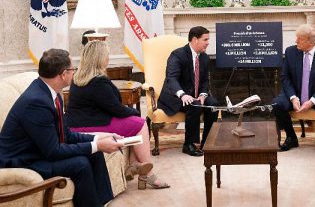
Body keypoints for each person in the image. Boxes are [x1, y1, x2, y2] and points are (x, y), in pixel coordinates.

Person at [0, 49, 123, 207]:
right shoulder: (36, 102)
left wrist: (100, 139)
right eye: (73, 70)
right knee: (80, 164)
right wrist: (97, 145)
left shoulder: (53, 93)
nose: (74, 73)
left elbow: (67, 135)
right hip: (22, 160)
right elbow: (53, 151)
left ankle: (102, 203)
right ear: (64, 74)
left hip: (39, 151)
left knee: (95, 153)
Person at [65, 41, 169, 190]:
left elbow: (109, 107)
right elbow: (118, 109)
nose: (108, 58)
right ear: (100, 58)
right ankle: (148, 174)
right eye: (107, 55)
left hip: (78, 123)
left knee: (133, 123)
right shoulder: (98, 82)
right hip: (91, 123)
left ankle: (134, 165)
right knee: (139, 123)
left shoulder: (77, 78)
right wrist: (136, 113)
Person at [273, 24, 315, 154]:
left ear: (311, 41)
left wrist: (312, 101)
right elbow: (285, 78)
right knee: (277, 104)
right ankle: (291, 137)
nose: (296, 41)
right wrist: (293, 97)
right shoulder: (291, 52)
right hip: (296, 92)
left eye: (299, 39)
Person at [158, 26, 219, 157]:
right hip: (176, 96)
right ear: (195, 39)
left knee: (213, 104)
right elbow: (171, 78)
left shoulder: (204, 58)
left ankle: (207, 142)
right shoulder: (177, 55)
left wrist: (203, 94)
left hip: (195, 95)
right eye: (205, 39)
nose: (208, 42)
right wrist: (182, 94)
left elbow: (204, 81)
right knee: (194, 105)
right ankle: (188, 144)